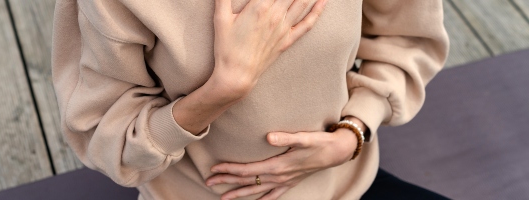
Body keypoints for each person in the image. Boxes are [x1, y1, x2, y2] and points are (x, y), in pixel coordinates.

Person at [51, 0, 449, 199]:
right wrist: (221, 92)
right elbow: (105, 138)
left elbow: (404, 40)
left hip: (342, 186)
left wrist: (353, 132)